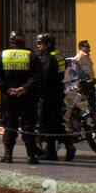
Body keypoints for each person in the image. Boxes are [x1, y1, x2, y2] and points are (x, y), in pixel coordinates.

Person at [0, 30, 40, 164]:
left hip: (9, 97)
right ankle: (31, 156)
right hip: (27, 96)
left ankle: (8, 156)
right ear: (24, 41)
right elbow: (37, 76)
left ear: (11, 41)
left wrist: (7, 88)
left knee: (10, 126)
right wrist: (25, 88)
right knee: (29, 126)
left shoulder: (2, 55)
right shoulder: (32, 56)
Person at [35, 32, 74, 162]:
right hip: (58, 93)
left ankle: (51, 152)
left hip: (47, 96)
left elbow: (44, 79)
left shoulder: (47, 59)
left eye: (40, 43)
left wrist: (37, 92)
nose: (38, 46)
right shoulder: (58, 55)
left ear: (48, 44)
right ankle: (68, 144)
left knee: (46, 124)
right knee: (56, 123)